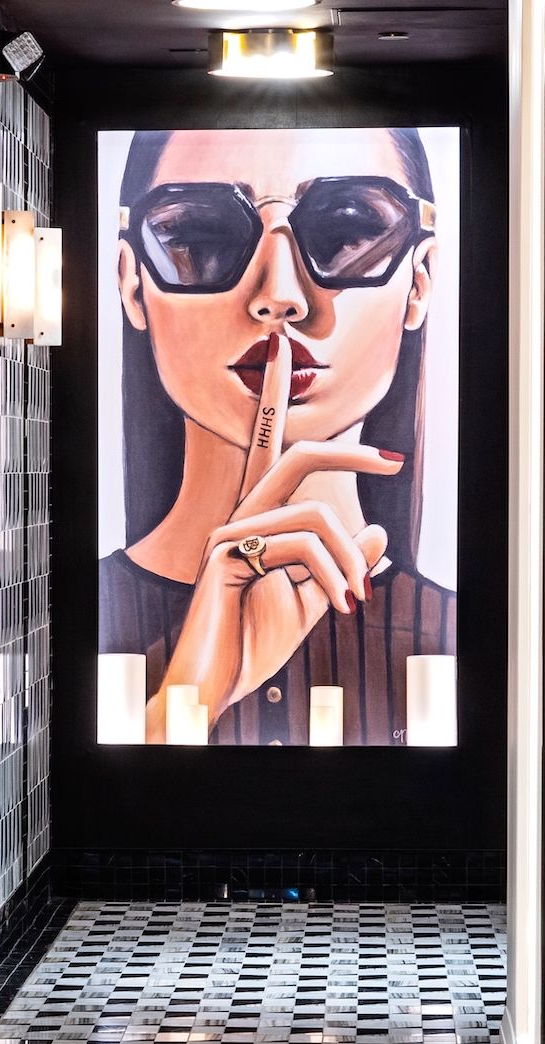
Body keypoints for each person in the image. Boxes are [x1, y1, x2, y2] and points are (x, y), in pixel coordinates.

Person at [99, 127, 454, 745]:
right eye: (201, 237)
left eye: (345, 235)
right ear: (132, 284)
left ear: (419, 283)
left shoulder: (464, 637)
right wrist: (189, 692)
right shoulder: (45, 618)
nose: (280, 298)